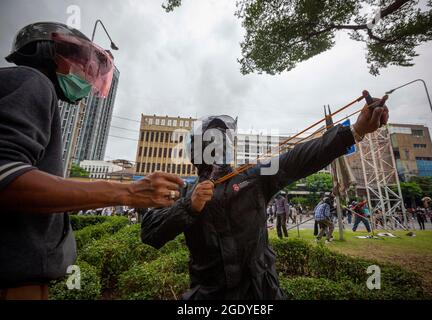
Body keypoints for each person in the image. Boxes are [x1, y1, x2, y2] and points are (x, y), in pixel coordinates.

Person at [0, 22, 184, 300]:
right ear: (50, 51)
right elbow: (7, 178)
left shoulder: (31, 88)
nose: (86, 74)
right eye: (78, 60)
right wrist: (129, 191)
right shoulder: (31, 81)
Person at [140, 99, 389, 300]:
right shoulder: (185, 193)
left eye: (219, 143)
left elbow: (300, 157)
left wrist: (355, 131)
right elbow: (150, 232)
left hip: (262, 292)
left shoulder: (254, 178)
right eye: (207, 145)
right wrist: (189, 207)